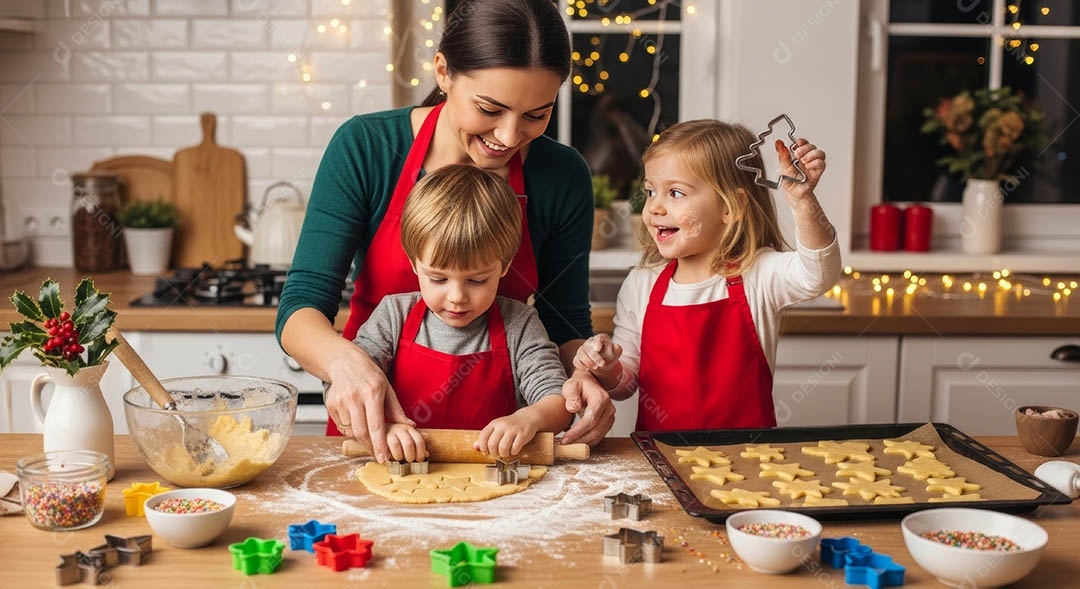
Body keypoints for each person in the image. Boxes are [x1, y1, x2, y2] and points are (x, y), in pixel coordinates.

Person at [277, 0, 615, 462]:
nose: (510, 135)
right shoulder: (368, 148)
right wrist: (348, 367)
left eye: (537, 114)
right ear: (443, 72)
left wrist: (582, 377)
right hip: (376, 430)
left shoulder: (562, 175)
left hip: (494, 450)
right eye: (489, 108)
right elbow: (301, 306)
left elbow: (564, 323)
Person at [572, 119, 843, 431]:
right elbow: (625, 384)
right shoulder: (642, 284)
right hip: (661, 459)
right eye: (650, 191)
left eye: (675, 192)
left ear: (731, 207)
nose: (654, 208)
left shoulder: (758, 273)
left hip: (749, 461)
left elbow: (819, 273)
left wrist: (802, 201)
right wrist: (606, 367)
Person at [351, 164, 572, 460]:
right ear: (415, 263)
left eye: (477, 280)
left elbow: (558, 399)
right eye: (438, 279)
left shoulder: (519, 323)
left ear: (504, 266)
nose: (457, 297)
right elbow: (352, 389)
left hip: (498, 478)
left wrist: (529, 420)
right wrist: (385, 428)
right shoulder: (393, 316)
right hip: (402, 471)